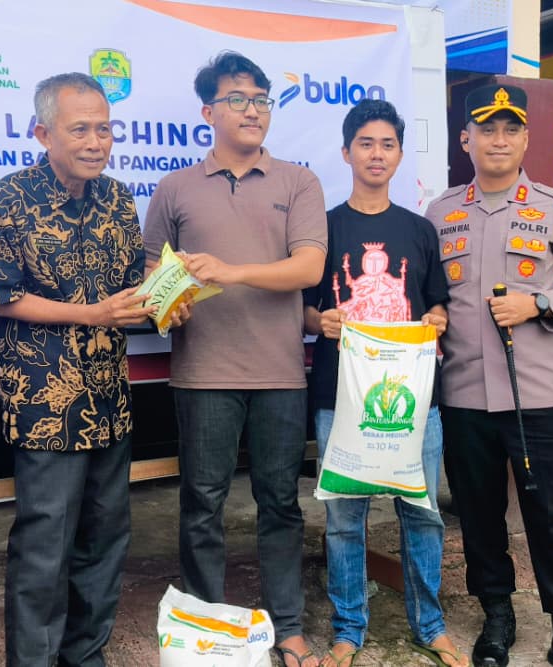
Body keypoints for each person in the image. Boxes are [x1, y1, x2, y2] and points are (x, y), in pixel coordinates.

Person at [142, 51, 327, 667]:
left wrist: (231, 271)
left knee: (280, 503)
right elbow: (153, 271)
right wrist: (168, 304)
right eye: (238, 100)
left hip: (280, 373)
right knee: (202, 504)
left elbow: (309, 267)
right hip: (203, 374)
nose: (253, 111)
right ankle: (207, 631)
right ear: (208, 112)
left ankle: (288, 625)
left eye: (261, 100)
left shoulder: (298, 182)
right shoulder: (175, 188)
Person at [0, 73, 169, 666]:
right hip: (46, 403)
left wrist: (169, 298)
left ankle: (85, 657)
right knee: (45, 546)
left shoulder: (117, 199)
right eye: (80, 129)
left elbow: (129, 291)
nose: (95, 142)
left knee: (105, 540)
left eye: (104, 129)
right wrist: (92, 314)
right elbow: (4, 298)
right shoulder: (7, 200)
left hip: (110, 399)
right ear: (43, 134)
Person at [424, 83, 553, 667]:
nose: (498, 140)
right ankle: (496, 617)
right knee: (478, 516)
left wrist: (541, 304)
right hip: (463, 393)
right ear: (465, 139)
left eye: (510, 129)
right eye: (487, 129)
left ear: (526, 138)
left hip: (535, 393)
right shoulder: (440, 212)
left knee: (551, 514)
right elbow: (428, 293)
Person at [303, 99, 466, 667]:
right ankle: (349, 629)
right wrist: (318, 321)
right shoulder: (323, 230)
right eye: (366, 144)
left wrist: (437, 319)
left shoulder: (419, 230)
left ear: (399, 155)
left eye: (388, 144)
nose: (377, 154)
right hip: (340, 397)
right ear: (346, 153)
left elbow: (438, 303)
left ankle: (431, 625)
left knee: (421, 513)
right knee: (344, 518)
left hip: (415, 399)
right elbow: (302, 308)